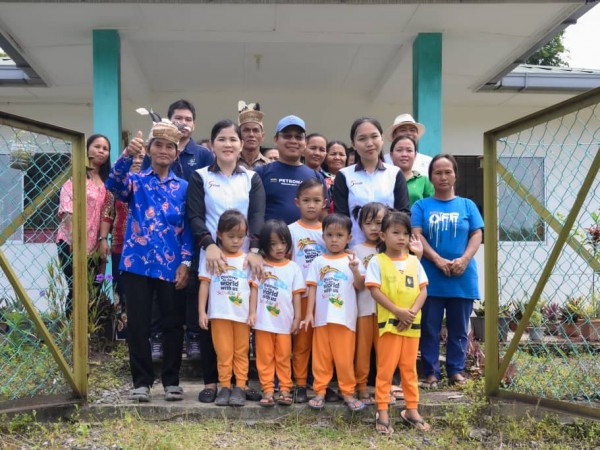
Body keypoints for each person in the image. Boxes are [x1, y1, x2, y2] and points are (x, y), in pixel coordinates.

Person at [106, 121, 193, 403]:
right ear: (149, 149)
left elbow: (188, 228)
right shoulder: (136, 181)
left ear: (176, 153)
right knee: (138, 325)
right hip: (136, 264)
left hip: (171, 266)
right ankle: (141, 382)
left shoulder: (184, 187)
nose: (164, 150)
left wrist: (186, 263)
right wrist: (127, 155)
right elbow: (112, 184)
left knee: (172, 324)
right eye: (159, 145)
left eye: (170, 146)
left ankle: (171, 382)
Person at [187, 119, 265, 403]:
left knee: (241, 322)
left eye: (233, 139)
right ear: (212, 144)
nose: (228, 144)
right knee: (213, 321)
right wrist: (208, 244)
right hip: (212, 257)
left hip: (244, 261)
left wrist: (254, 249)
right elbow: (194, 215)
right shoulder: (200, 177)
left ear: (242, 144)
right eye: (222, 139)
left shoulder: (252, 178)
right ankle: (213, 383)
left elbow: (257, 214)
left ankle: (239, 384)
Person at [138, 99, 214, 362]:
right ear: (168, 121)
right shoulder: (157, 150)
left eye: (188, 119)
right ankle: (157, 337)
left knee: (193, 282)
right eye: (178, 118)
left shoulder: (203, 155)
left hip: (193, 227)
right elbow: (144, 183)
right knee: (159, 286)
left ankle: (193, 336)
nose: (183, 123)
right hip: (160, 232)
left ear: (194, 124)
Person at [411, 154, 484, 388]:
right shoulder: (421, 206)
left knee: (459, 328)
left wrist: (464, 259)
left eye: (448, 172)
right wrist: (437, 259)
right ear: (431, 177)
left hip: (462, 276)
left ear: (455, 175)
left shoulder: (468, 205)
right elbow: (417, 235)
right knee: (429, 328)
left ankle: (456, 371)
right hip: (430, 276)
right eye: (438, 172)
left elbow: (477, 233)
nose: (443, 177)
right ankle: (431, 372)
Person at [366, 211, 431, 434]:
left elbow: (423, 290)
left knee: (409, 370)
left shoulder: (414, 261)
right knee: (385, 370)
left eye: (405, 233)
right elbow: (374, 291)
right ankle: (382, 411)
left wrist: (410, 313)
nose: (401, 237)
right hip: (390, 325)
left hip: (411, 325)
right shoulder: (377, 261)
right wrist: (397, 312)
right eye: (395, 232)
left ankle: (411, 409)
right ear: (383, 235)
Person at [301, 214, 366, 412]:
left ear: (349, 237)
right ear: (323, 237)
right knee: (321, 359)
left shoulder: (353, 260)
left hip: (345, 320)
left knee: (345, 360)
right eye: (329, 235)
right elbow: (312, 288)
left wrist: (355, 270)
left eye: (339, 235)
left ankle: (347, 392)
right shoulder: (318, 262)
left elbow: (360, 286)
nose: (334, 239)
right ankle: (320, 392)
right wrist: (309, 314)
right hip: (322, 320)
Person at [198, 210, 256, 407]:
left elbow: (253, 289)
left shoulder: (247, 260)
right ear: (219, 234)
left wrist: (252, 313)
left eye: (241, 236)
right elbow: (204, 284)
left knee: (241, 351)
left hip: (242, 317)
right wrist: (202, 311)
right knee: (223, 352)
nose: (236, 241)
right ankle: (224, 386)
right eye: (231, 236)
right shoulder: (212, 258)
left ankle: (240, 386)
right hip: (219, 315)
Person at [57, 133, 112, 319]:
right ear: (87, 149)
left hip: (96, 245)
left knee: (95, 288)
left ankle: (89, 331)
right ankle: (71, 329)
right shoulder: (76, 178)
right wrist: (75, 238)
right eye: (97, 147)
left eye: (105, 149)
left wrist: (103, 239)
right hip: (71, 243)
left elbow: (108, 213)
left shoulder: (108, 183)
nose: (101, 151)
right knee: (76, 288)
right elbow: (67, 209)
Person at [333, 117, 410, 247]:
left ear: (382, 138)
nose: (369, 143)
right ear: (353, 144)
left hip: (388, 250)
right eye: (362, 138)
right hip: (354, 250)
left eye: (374, 136)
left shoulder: (395, 173)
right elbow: (341, 218)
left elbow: (403, 214)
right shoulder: (344, 175)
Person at [252, 220, 304, 407]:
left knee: (283, 357)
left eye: (283, 242)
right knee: (264, 357)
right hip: (263, 322)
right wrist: (251, 314)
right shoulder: (260, 266)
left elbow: (297, 295)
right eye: (273, 244)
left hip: (284, 323)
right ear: (265, 245)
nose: (279, 248)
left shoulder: (293, 268)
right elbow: (254, 291)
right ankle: (267, 389)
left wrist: (298, 317)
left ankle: (285, 389)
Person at [287, 179, 327, 403]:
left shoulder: (329, 231)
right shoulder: (291, 231)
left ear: (324, 203)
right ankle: (300, 383)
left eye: (316, 200)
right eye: (306, 200)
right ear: (297, 202)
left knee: (322, 346)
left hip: (325, 298)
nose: (311, 205)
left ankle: (322, 384)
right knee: (301, 344)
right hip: (301, 297)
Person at [255, 115, 326, 225]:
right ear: (275, 140)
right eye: (287, 136)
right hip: (270, 236)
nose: (293, 141)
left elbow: (323, 217)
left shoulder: (316, 177)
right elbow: (254, 213)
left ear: (305, 142)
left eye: (298, 137)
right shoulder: (261, 173)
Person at [98, 149, 145, 314]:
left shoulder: (150, 184)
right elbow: (107, 213)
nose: (137, 161)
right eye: (133, 157)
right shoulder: (116, 185)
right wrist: (103, 239)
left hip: (145, 248)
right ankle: (122, 328)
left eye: (141, 157)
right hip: (121, 246)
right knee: (122, 290)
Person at [351, 202, 388, 405]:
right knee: (362, 351)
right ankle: (362, 386)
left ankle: (384, 387)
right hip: (364, 309)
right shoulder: (355, 251)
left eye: (379, 223)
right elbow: (358, 285)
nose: (374, 228)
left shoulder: (390, 249)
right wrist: (356, 271)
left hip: (386, 310)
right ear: (360, 225)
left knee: (385, 352)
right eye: (368, 223)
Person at [389, 135, 434, 206]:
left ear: (415, 155)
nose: (404, 154)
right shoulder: (384, 179)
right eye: (399, 150)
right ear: (391, 155)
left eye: (409, 150)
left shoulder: (424, 181)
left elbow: (432, 207)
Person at [237, 101, 270, 169]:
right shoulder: (230, 164)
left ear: (263, 136)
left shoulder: (269, 166)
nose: (251, 134)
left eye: (255, 130)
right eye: (246, 130)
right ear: (239, 135)